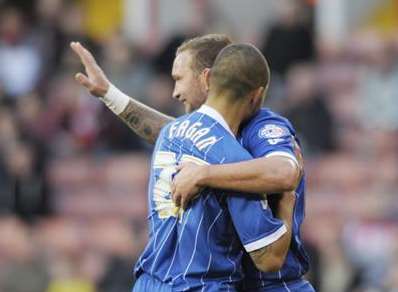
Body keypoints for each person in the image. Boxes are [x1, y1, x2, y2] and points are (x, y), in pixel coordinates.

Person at [71, 34, 314, 291]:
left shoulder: (263, 127)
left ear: (207, 78)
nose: (175, 92)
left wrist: (204, 174)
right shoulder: (190, 136)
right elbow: (178, 133)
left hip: (269, 285)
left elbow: (285, 172)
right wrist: (110, 95)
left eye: (179, 78)